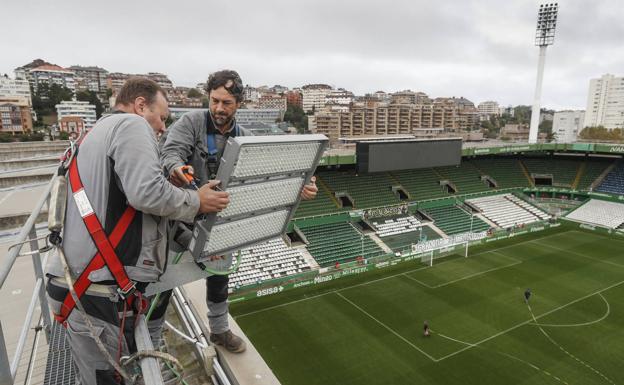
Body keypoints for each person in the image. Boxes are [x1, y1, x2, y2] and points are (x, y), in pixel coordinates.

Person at [45, 77, 229, 385]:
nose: (162, 128)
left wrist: (186, 222)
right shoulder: (131, 125)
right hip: (95, 294)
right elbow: (145, 194)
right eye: (161, 117)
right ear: (140, 105)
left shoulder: (98, 133)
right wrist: (197, 200)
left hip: (87, 289)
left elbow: (136, 210)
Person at [161, 70, 318, 353]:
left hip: (219, 221)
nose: (219, 108)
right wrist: (178, 171)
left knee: (219, 278)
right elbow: (170, 153)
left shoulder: (244, 137)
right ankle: (151, 332)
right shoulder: (191, 122)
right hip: (181, 217)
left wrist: (299, 190)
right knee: (165, 280)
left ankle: (219, 331)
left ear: (239, 104)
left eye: (227, 103)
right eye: (214, 101)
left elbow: (262, 180)